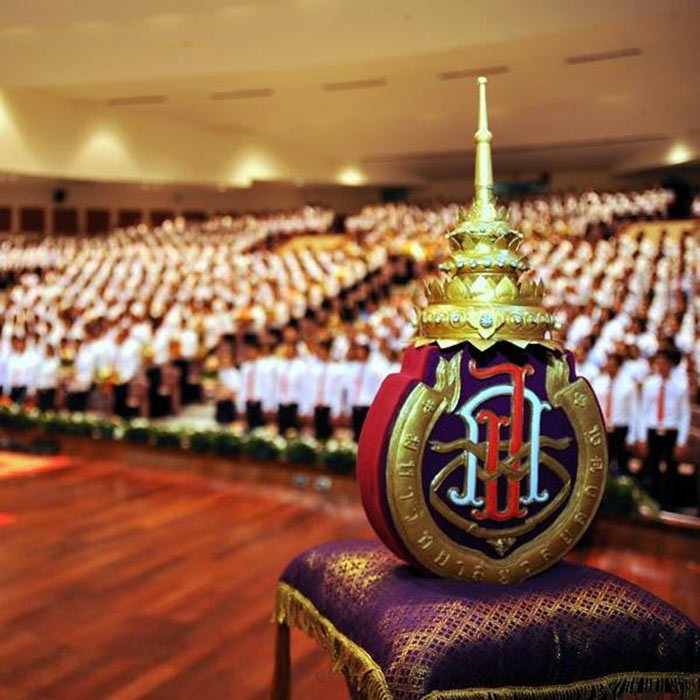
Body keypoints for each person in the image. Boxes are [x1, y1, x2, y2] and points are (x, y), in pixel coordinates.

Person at [637, 349, 691, 511]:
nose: (660, 366)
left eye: (663, 363)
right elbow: (643, 411)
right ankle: (650, 503)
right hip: (653, 430)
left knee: (671, 469)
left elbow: (684, 414)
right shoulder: (650, 384)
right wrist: (642, 437)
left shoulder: (680, 386)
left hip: (671, 431)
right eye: (658, 363)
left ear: (670, 364)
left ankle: (668, 506)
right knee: (651, 467)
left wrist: (681, 441)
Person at [591, 354, 637, 474]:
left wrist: (632, 436)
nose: (610, 368)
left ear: (618, 366)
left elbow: (633, 411)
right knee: (602, 464)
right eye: (608, 365)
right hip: (602, 427)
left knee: (621, 464)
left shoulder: (628, 385)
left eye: (613, 365)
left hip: (620, 427)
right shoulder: (598, 382)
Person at [36, 343, 60, 412]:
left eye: (47, 349)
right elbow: (39, 375)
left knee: (49, 410)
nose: (46, 351)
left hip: (50, 389)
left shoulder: (55, 362)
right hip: (41, 388)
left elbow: (57, 377)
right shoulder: (42, 361)